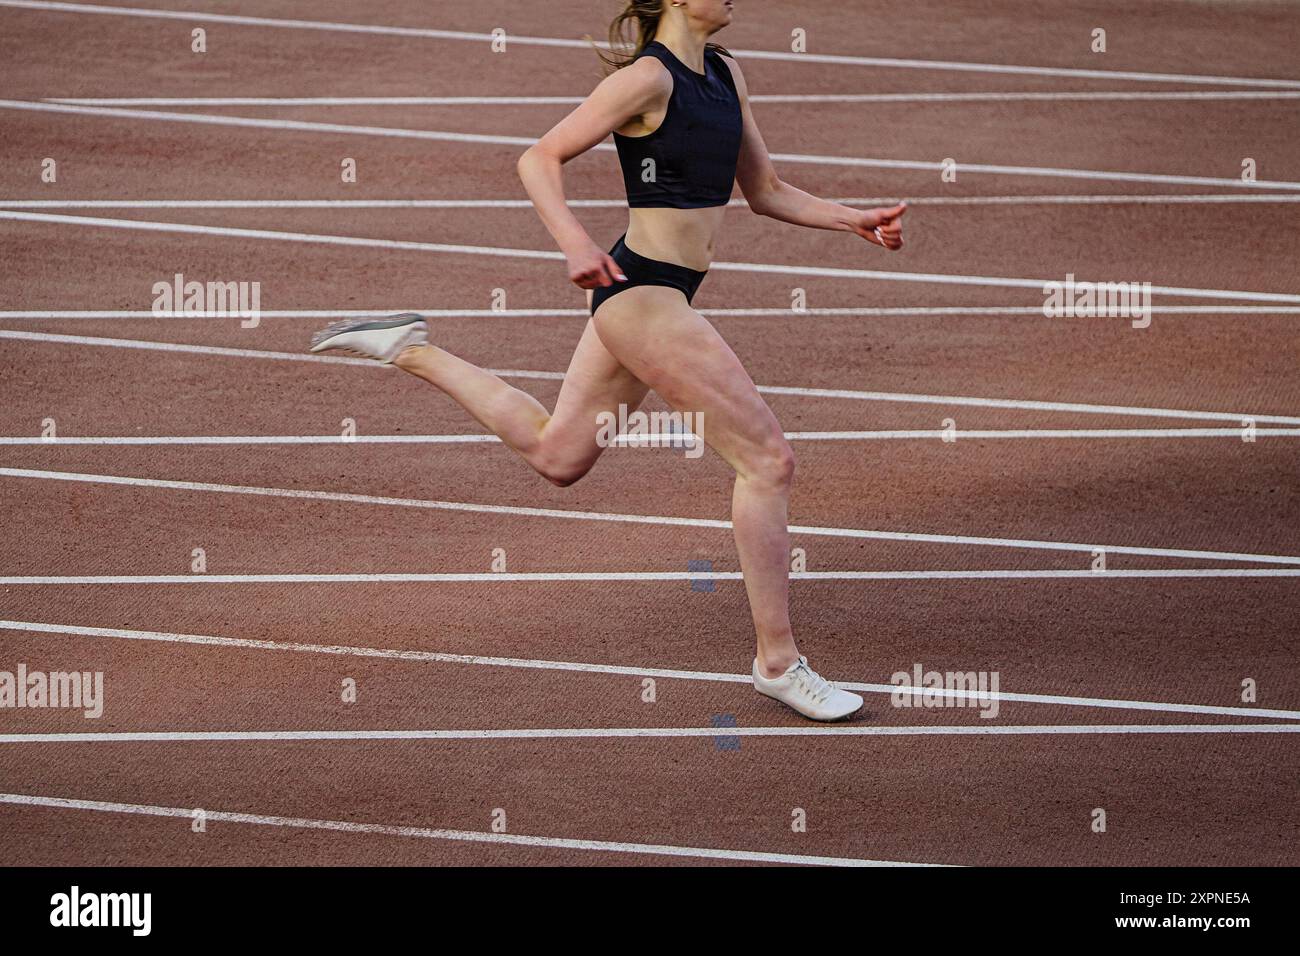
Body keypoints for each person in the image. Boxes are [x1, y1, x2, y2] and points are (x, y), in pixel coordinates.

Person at [310, 0, 907, 720]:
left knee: (558, 453)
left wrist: (854, 220)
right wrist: (574, 243)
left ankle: (408, 347)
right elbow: (538, 157)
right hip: (645, 296)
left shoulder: (725, 73)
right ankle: (777, 662)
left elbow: (766, 191)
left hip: (652, 290)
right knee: (768, 462)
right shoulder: (647, 81)